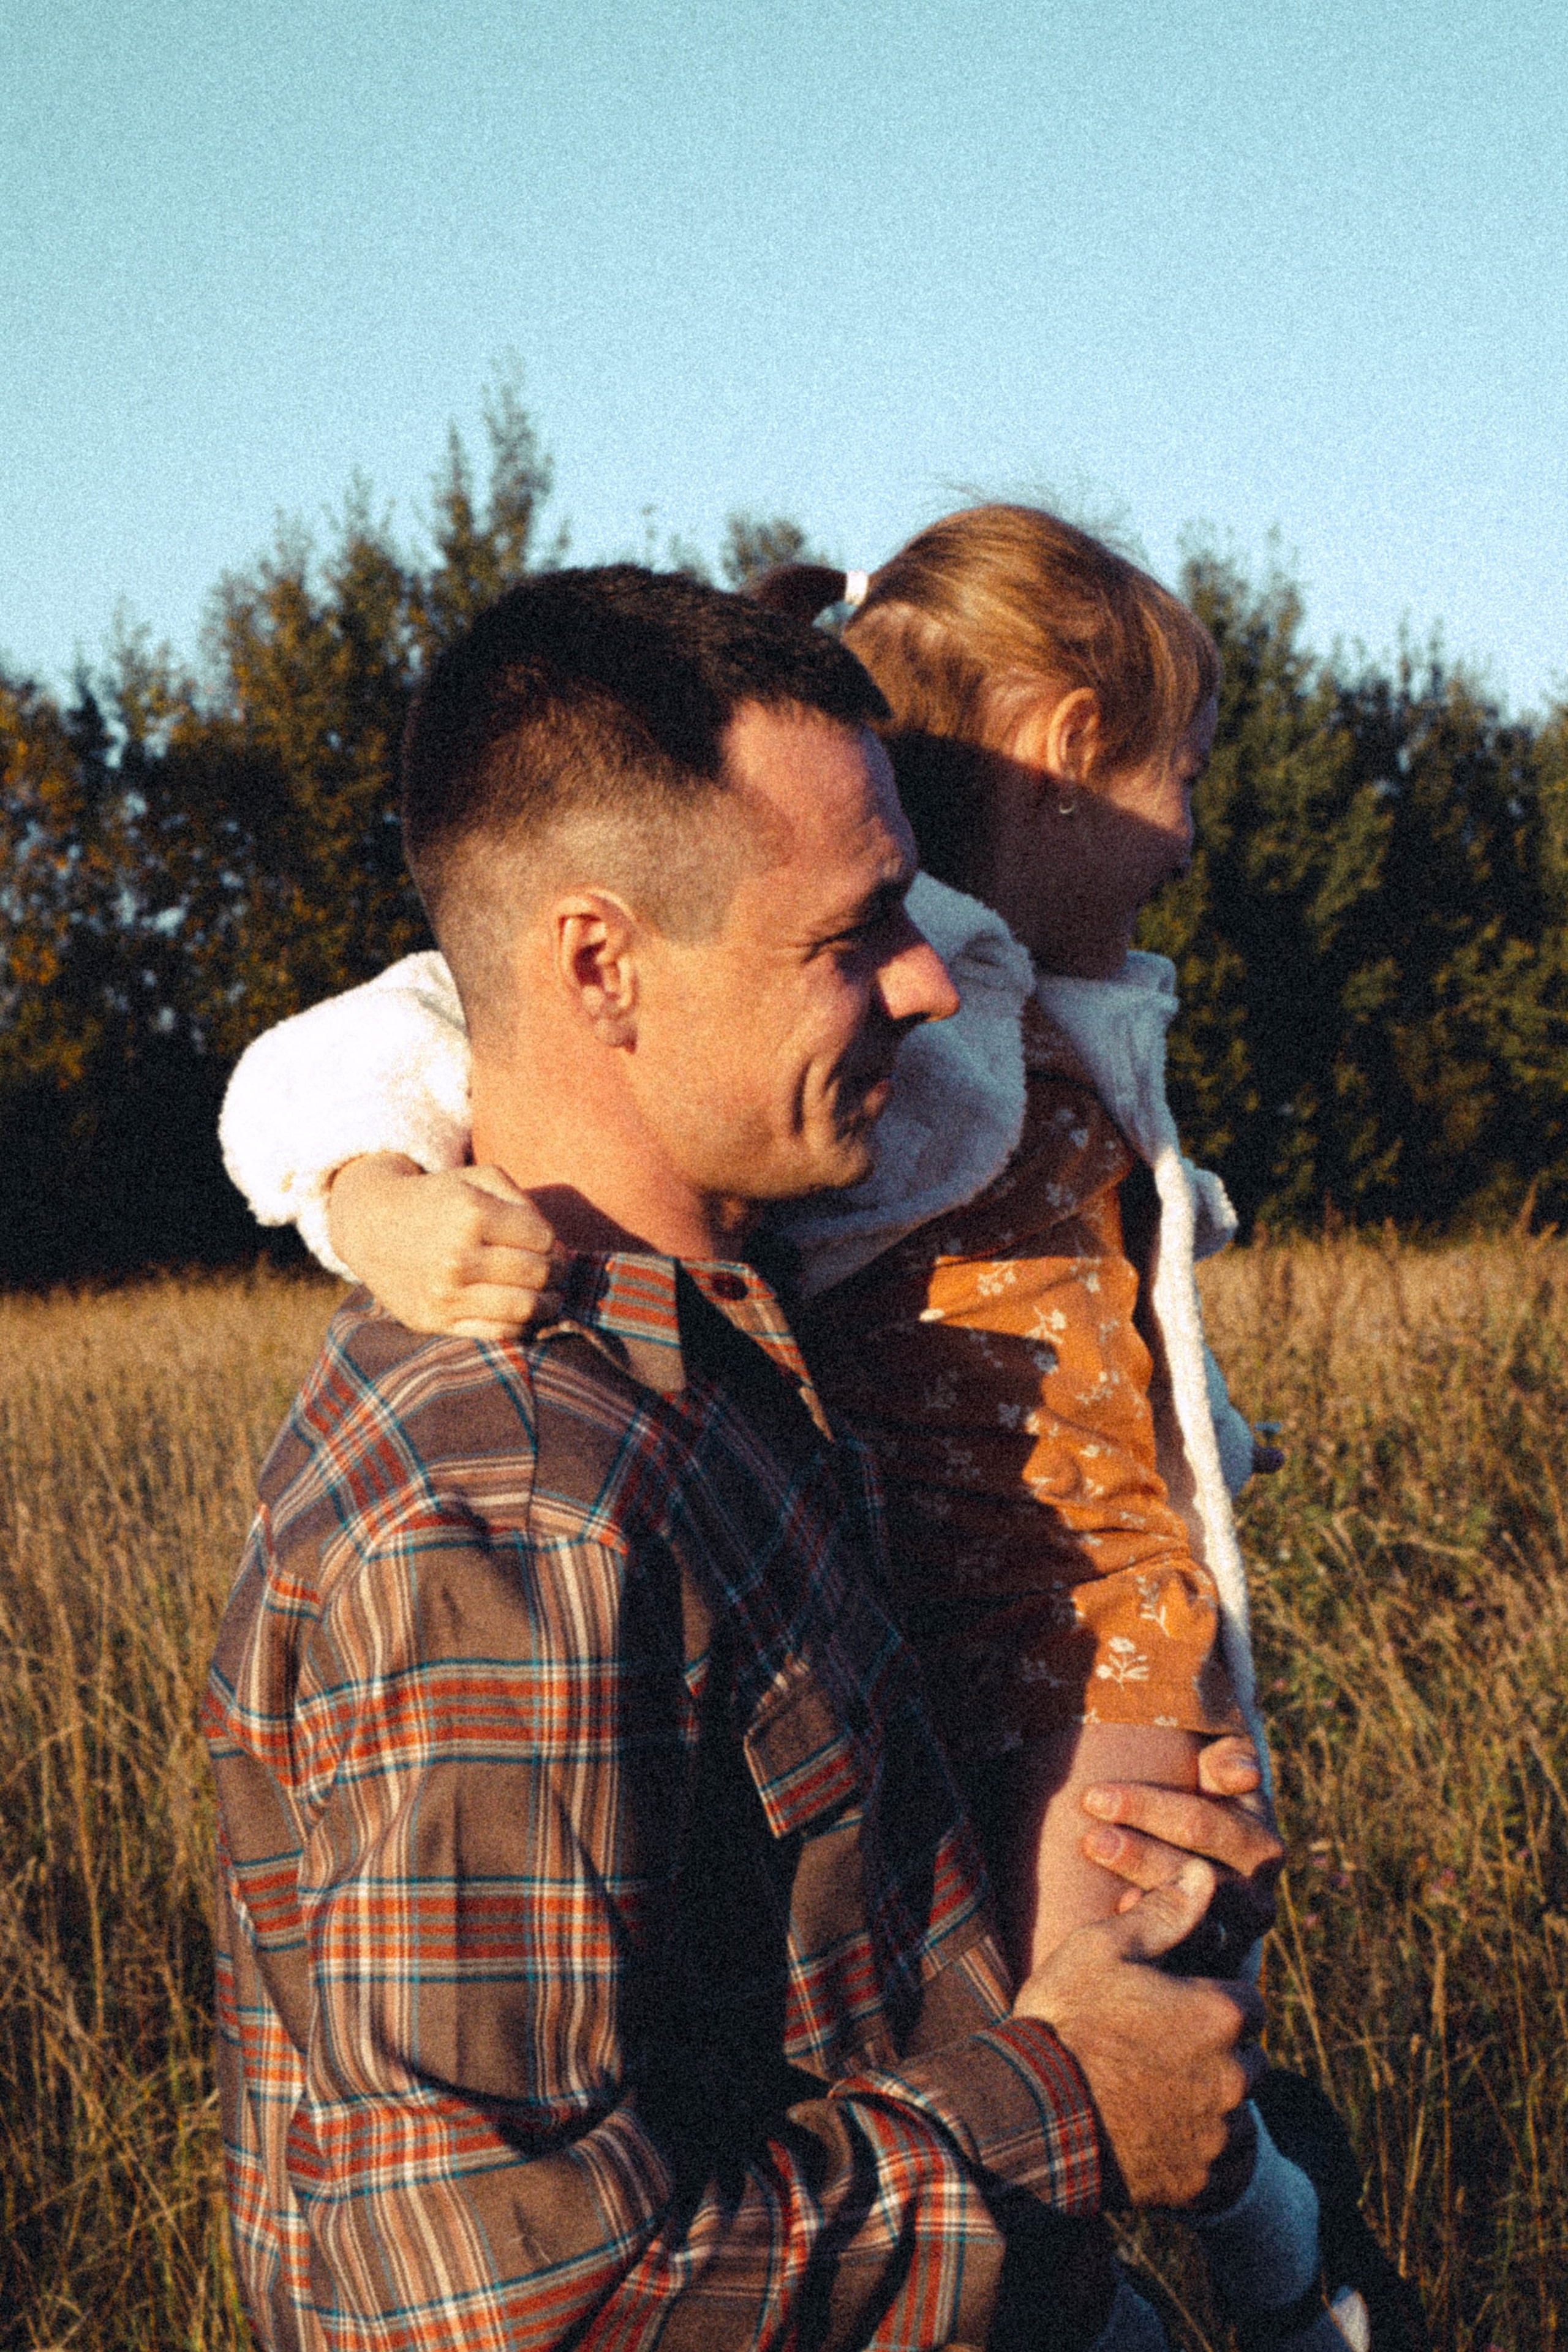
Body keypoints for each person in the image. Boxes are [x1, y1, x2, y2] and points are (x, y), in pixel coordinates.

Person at [220, 522, 1420, 2351]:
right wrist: (1077, 2105)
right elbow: (503, 2310)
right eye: (856, 938)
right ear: (602, 965)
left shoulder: (746, 1363)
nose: (940, 989)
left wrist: (1109, 1911)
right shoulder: (519, 1507)